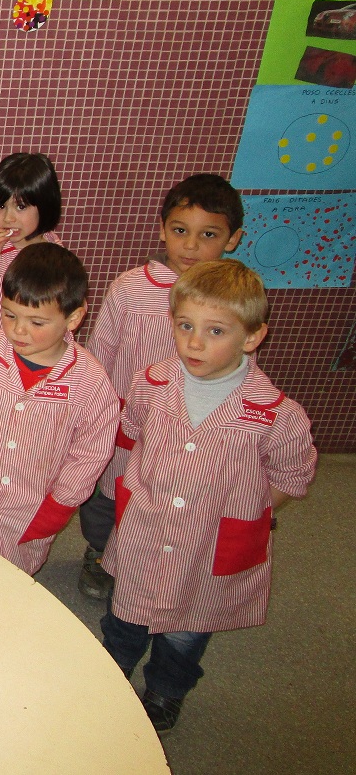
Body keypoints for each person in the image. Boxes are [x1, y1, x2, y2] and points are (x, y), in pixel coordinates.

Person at [101, 260, 316, 733]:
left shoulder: (277, 415)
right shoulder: (150, 383)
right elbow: (133, 431)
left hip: (209, 546)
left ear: (252, 337)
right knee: (124, 614)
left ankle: (166, 689)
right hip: (146, 530)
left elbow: (292, 476)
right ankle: (109, 675)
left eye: (215, 331)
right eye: (185, 326)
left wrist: (245, 509)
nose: (194, 343)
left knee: (186, 631)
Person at [78, 174, 245, 600]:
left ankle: (150, 561)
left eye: (208, 235)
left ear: (232, 239)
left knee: (165, 496)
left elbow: (242, 371)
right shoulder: (131, 288)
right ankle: (100, 552)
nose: (191, 245)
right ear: (162, 230)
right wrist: (92, 410)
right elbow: (100, 352)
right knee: (107, 492)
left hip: (188, 429)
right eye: (180, 230)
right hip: (124, 419)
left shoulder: (233, 300)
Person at [0, 243, 118, 573]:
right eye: (10, 315)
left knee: (4, 583)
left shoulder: (91, 381)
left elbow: (90, 453)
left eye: (37, 322)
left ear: (73, 318)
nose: (18, 330)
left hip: (26, 514)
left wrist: (60, 505)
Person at [0, 152, 63, 334]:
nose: (8, 218)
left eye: (21, 207)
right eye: (1, 206)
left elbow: (61, 321)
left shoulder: (57, 259)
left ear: (45, 205)